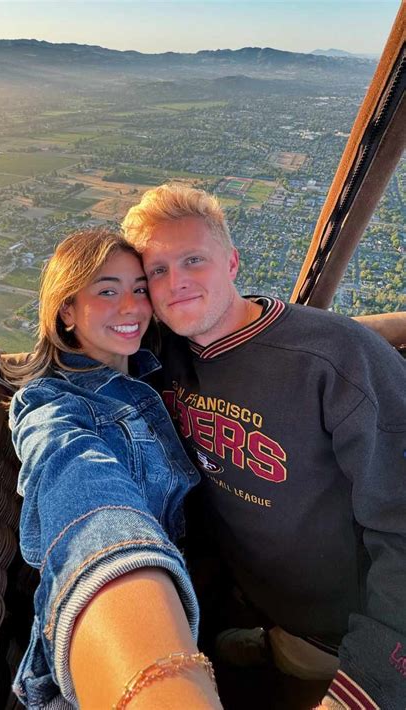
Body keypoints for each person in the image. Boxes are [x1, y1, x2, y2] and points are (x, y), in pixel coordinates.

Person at [122, 184, 406, 710]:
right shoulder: (164, 356)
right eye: (157, 270)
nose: (175, 282)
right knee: (278, 648)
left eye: (193, 260)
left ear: (231, 263)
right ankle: (272, 645)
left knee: (300, 670)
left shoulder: (339, 360)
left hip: (341, 624)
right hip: (262, 591)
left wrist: (375, 680)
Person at [1, 228, 222, 709]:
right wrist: (115, 562)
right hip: (108, 646)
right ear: (66, 309)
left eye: (140, 289)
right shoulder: (50, 403)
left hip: (200, 598)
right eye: (106, 291)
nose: (132, 307)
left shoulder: (156, 369)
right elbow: (76, 477)